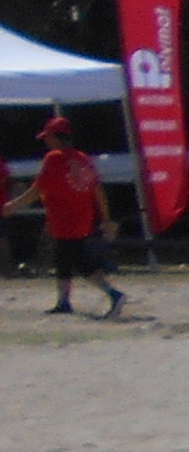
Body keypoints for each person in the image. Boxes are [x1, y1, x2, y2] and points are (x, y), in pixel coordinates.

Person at [12, 115, 124, 319]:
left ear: (56, 138)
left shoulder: (54, 158)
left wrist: (13, 206)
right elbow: (98, 190)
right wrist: (105, 218)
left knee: (80, 263)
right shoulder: (83, 158)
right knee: (64, 259)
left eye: (48, 137)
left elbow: (38, 189)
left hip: (65, 220)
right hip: (82, 218)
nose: (46, 141)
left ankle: (113, 294)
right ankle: (63, 301)